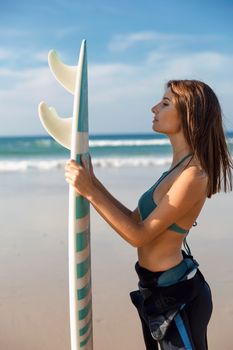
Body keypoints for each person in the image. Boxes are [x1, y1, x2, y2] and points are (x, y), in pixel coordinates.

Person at [64, 79, 233, 349]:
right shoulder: (176, 169)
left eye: (165, 103)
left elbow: (139, 236)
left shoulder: (193, 175)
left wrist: (91, 192)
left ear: (189, 115)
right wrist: (92, 183)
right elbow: (134, 220)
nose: (154, 108)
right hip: (155, 292)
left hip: (176, 298)